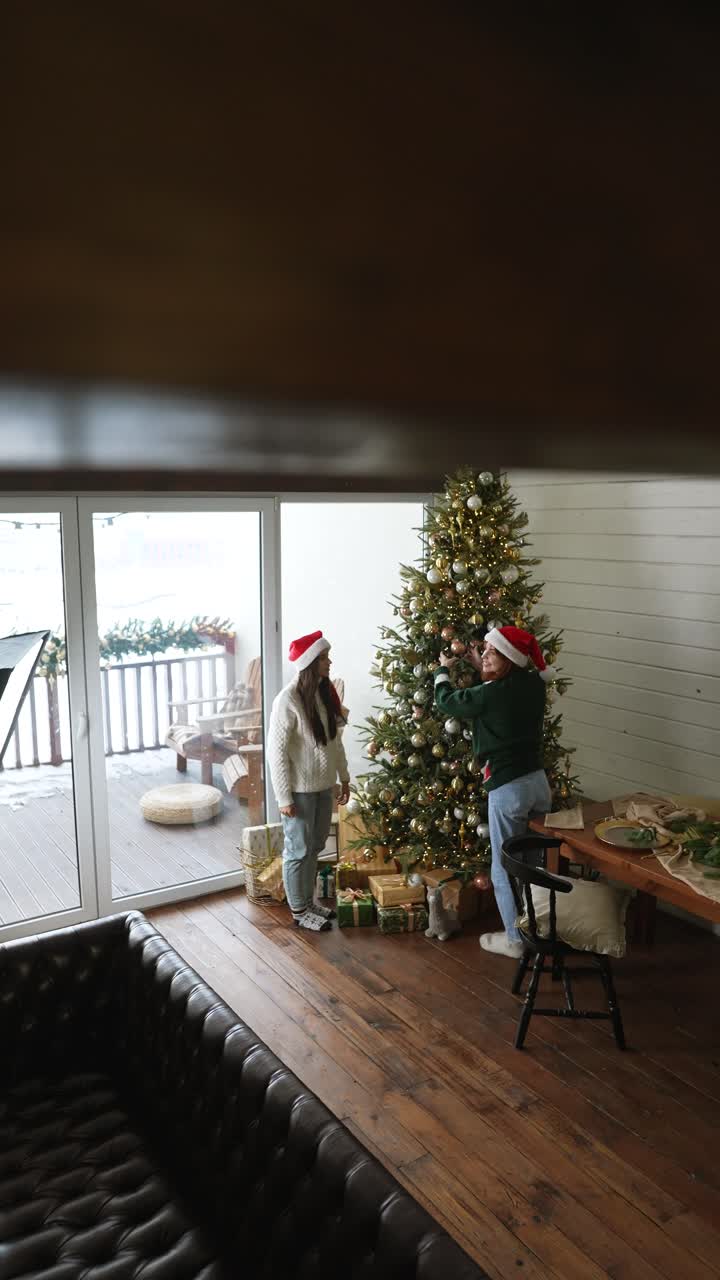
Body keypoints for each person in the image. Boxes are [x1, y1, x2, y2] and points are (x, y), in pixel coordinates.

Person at [434, 625, 554, 958]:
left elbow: (448, 702)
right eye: (484, 650)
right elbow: (503, 689)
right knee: (534, 863)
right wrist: (484, 668)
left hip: (508, 786)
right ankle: (539, 926)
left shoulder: (489, 694)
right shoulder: (533, 684)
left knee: (504, 867)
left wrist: (442, 671)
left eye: (491, 652)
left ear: (509, 659)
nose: (484, 655)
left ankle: (515, 940)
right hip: (537, 783)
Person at [268, 630, 350, 931]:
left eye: (327, 657)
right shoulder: (287, 700)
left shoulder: (324, 695)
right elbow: (275, 752)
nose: (329, 662)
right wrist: (284, 798)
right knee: (297, 851)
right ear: (310, 662)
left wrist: (344, 778)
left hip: (323, 787)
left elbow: (335, 743)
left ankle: (308, 901)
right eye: (324, 658)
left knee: (315, 847)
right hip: (299, 793)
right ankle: (299, 911)